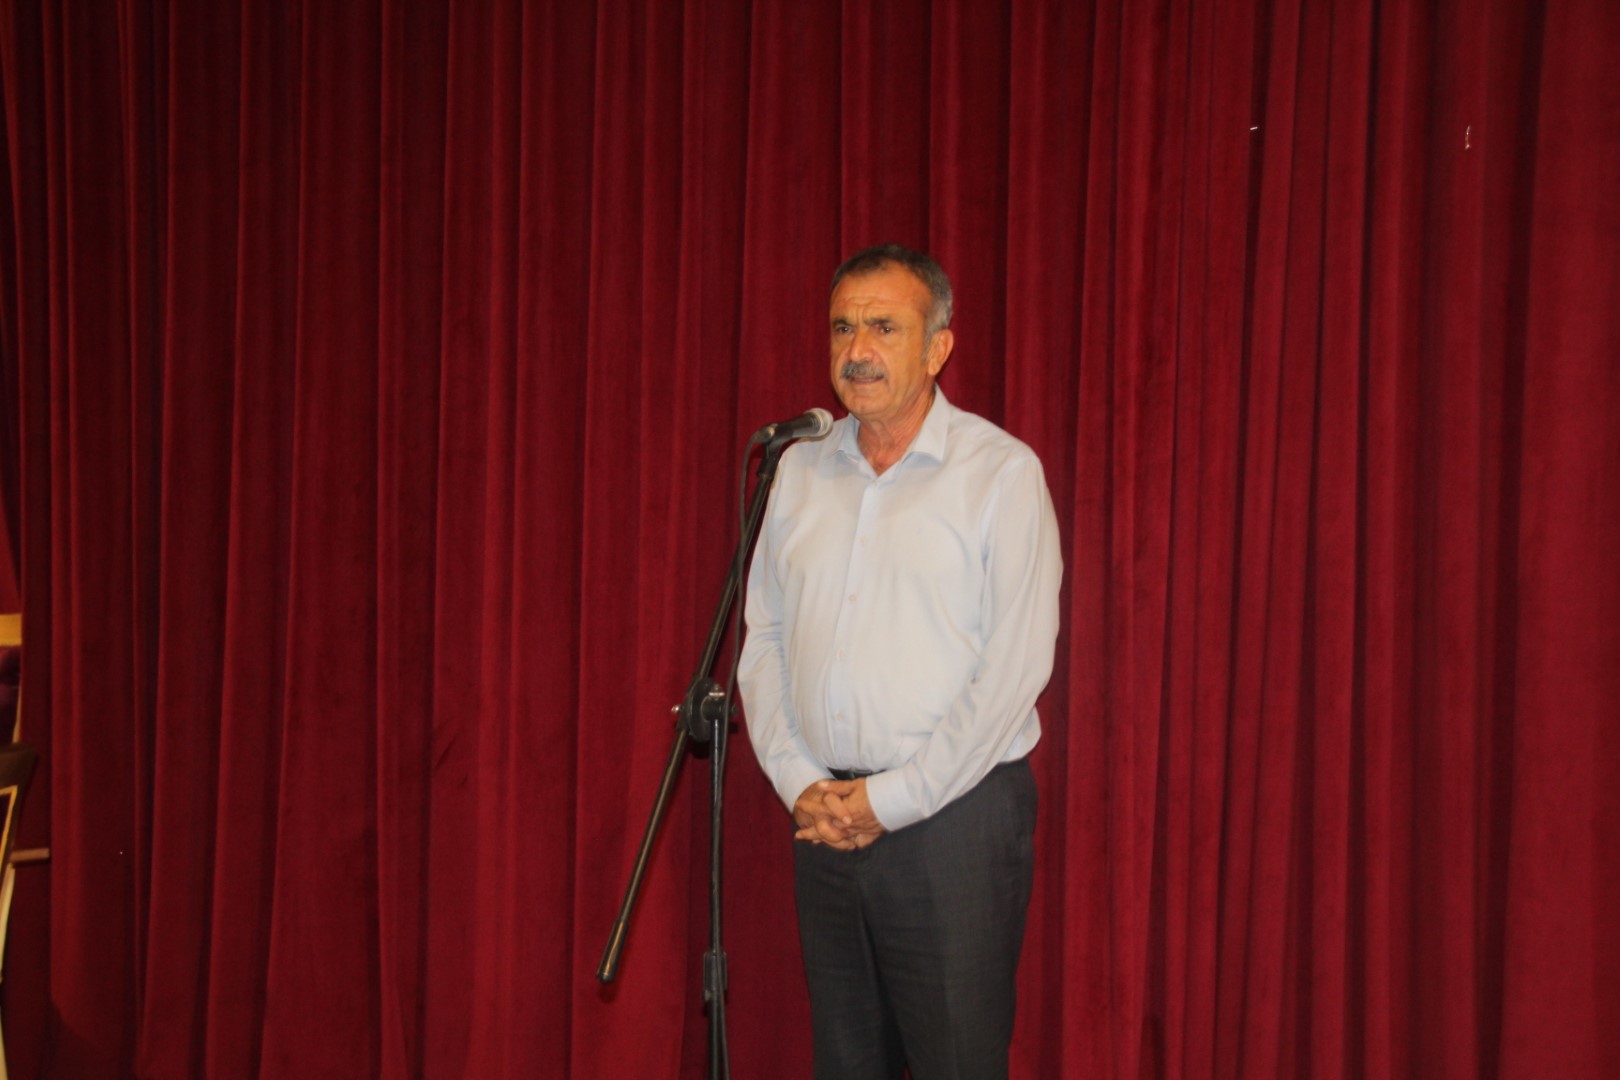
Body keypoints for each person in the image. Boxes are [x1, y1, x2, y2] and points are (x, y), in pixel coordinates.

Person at [738, 243, 1063, 1078]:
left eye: (884, 327)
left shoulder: (1000, 473)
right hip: (825, 820)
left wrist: (891, 801)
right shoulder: (797, 471)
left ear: (938, 346)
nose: (857, 350)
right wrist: (799, 783)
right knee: (846, 1062)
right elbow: (763, 640)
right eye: (842, 327)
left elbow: (1015, 668)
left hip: (954, 823)